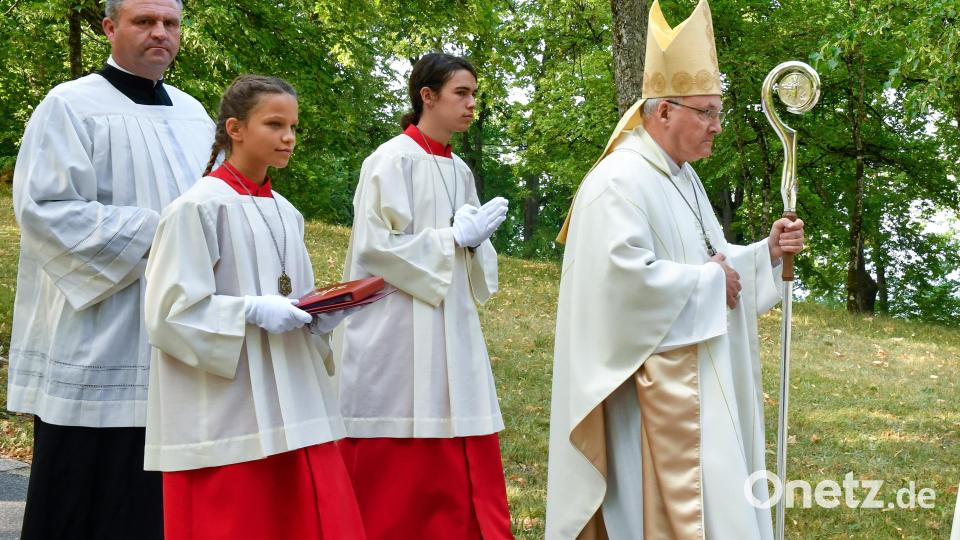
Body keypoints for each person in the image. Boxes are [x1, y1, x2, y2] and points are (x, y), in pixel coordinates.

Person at [545, 0, 806, 538]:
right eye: (705, 112)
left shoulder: (680, 176)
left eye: (718, 111)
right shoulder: (618, 183)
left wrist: (766, 254)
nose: (716, 126)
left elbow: (710, 259)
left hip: (698, 384)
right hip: (652, 404)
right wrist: (712, 279)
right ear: (663, 112)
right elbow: (622, 288)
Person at [7, 0, 211, 537]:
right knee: (87, 491)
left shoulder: (196, 114)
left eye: (170, 23)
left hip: (177, 327)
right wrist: (164, 232)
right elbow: (45, 209)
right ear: (109, 27)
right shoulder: (69, 106)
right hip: (101, 328)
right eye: (144, 21)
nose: (160, 33)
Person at [143, 74, 366, 540]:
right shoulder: (197, 207)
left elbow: (293, 298)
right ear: (236, 128)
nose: (288, 137)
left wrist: (321, 317)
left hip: (292, 399)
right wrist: (247, 310)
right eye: (274, 124)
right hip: (229, 407)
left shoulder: (287, 211)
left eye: (293, 127)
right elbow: (168, 313)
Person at [335, 52, 514, 539]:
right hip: (397, 325)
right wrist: (451, 240)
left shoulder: (459, 170)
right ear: (427, 96)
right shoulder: (390, 160)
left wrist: (475, 243)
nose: (472, 104)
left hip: (449, 321)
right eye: (462, 93)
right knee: (399, 470)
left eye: (475, 94)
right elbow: (374, 248)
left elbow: (472, 253)